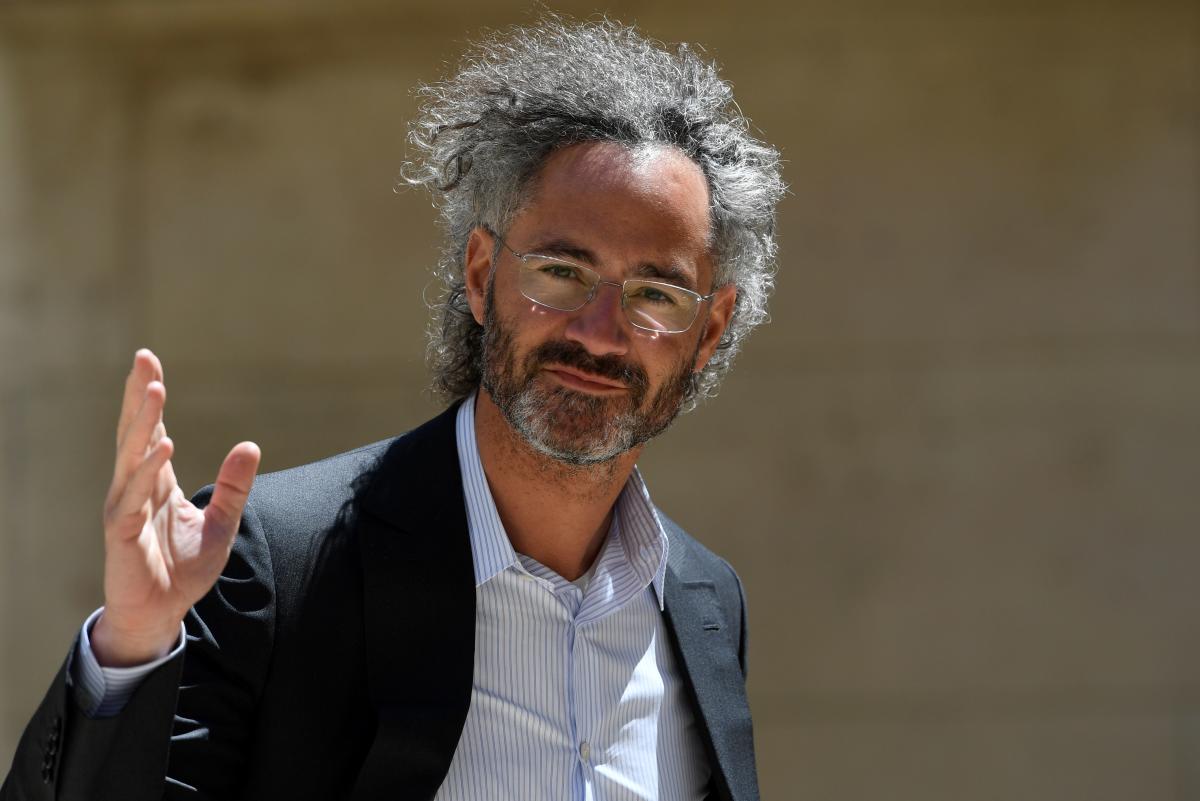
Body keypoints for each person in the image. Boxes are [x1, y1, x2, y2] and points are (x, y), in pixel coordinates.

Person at [2, 17, 783, 801]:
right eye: (560, 271)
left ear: (710, 330)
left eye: (656, 294)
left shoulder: (704, 600)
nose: (599, 332)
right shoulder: (280, 564)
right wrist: (131, 651)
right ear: (480, 275)